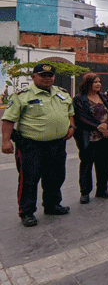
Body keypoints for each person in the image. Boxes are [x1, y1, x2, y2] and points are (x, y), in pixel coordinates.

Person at [2, 63, 75, 227]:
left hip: (57, 144)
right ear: (34, 77)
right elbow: (8, 119)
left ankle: (52, 205)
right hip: (31, 145)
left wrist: (71, 126)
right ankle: (26, 212)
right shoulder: (22, 96)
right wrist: (6, 141)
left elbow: (70, 112)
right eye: (43, 75)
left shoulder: (61, 93)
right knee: (29, 179)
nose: (47, 78)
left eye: (50, 76)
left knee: (56, 176)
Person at [74, 74, 108, 204]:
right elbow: (81, 116)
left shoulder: (104, 97)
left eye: (99, 82)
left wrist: (107, 125)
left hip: (106, 136)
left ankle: (102, 189)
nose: (98, 84)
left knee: (105, 164)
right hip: (89, 138)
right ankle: (85, 191)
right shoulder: (79, 99)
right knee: (86, 165)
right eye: (95, 82)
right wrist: (98, 127)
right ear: (87, 83)